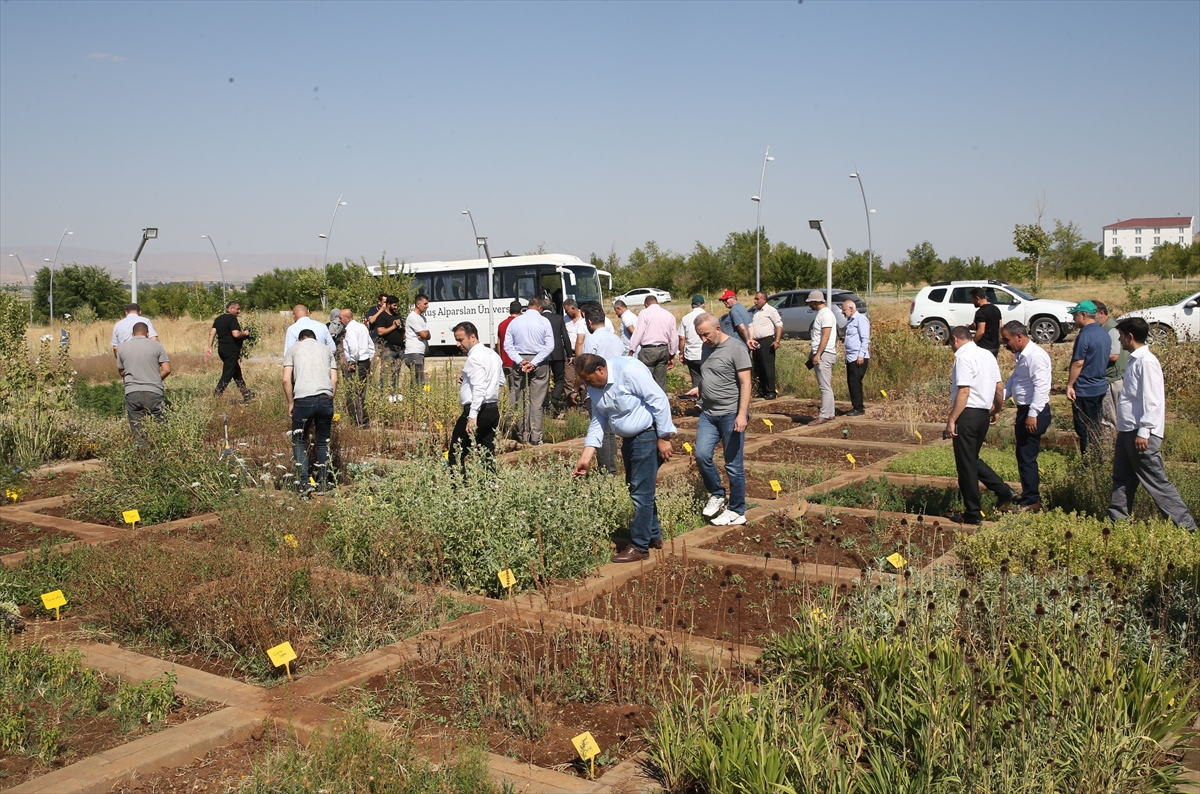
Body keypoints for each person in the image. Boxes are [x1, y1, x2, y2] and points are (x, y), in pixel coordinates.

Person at [572, 353, 676, 562]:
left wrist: (664, 437)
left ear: (600, 370)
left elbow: (659, 400)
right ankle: (653, 536)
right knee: (637, 487)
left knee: (641, 491)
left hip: (647, 435)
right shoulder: (594, 385)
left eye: (589, 380)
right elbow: (599, 418)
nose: (587, 385)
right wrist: (586, 456)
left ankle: (639, 546)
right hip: (629, 440)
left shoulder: (629, 372)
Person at [1109, 318, 1196, 530]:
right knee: (1122, 478)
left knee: (1156, 481)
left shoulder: (1146, 362)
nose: (1119, 340)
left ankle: (1187, 527)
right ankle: (1117, 524)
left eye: (1121, 335)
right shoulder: (1134, 360)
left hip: (1140, 433)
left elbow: (1153, 399)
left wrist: (1144, 431)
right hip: (1127, 430)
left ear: (1130, 336)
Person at [945, 326, 1015, 525]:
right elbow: (999, 387)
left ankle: (973, 512)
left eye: (951, 343)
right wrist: (997, 408)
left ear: (955, 339)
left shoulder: (963, 358)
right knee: (971, 459)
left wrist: (952, 419)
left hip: (967, 414)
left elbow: (964, 391)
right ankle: (1004, 491)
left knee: (965, 464)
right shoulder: (987, 355)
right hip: (983, 414)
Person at [692, 313, 752, 526]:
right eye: (700, 335)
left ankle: (737, 510)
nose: (703, 339)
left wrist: (741, 414)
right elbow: (710, 374)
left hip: (730, 414)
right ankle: (717, 493)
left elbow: (746, 383)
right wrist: (699, 389)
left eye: (706, 334)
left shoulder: (736, 348)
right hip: (709, 413)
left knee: (733, 464)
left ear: (718, 329)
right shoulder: (706, 347)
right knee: (701, 455)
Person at [1000, 321, 1052, 512]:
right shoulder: (1022, 356)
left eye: (1007, 340)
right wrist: (1000, 399)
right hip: (1025, 409)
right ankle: (1029, 495)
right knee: (1023, 455)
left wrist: (1032, 414)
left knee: (1027, 455)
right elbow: (1016, 380)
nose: (1004, 344)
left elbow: (1042, 387)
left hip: (1034, 411)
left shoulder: (1036, 356)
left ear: (1019, 336)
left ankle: (1032, 500)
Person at [283, 328, 338, 493]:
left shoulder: (293, 349)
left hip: (303, 399)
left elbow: (286, 380)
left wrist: (291, 402)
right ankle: (324, 483)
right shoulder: (327, 350)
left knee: (299, 441)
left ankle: (304, 483)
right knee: (323, 442)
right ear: (315, 339)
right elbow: (334, 379)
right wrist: (330, 398)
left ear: (300, 340)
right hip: (325, 398)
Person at [449, 321, 503, 473]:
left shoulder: (474, 358)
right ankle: (491, 484)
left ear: (472, 337)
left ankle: (459, 485)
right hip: (492, 409)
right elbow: (500, 381)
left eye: (460, 340)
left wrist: (472, 416)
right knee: (487, 453)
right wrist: (467, 381)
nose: (458, 344)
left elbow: (479, 388)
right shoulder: (493, 355)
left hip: (477, 410)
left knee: (456, 453)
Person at [580, 303, 626, 474]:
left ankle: (606, 472)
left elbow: (585, 366)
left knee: (601, 431)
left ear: (589, 322)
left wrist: (578, 388)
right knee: (610, 433)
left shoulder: (592, 339)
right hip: (616, 389)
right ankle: (611, 469)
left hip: (598, 390)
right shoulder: (616, 339)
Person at [503, 296, 554, 446]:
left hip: (519, 359)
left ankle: (523, 435)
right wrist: (534, 362)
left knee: (520, 399)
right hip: (539, 359)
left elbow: (507, 345)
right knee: (536, 401)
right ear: (540, 308)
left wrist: (520, 361)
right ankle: (536, 437)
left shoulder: (515, 321)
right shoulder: (544, 321)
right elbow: (549, 346)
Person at [1065, 300, 1110, 456]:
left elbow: (1078, 363)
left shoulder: (1085, 335)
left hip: (1085, 388)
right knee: (1095, 425)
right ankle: (1098, 456)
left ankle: (1089, 460)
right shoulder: (1103, 333)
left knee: (1084, 428)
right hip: (1100, 386)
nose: (1073, 319)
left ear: (1083, 315)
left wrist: (1070, 385)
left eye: (1075, 316)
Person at [115, 322, 170, 447]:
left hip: (132, 392)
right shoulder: (157, 346)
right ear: (148, 333)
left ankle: (143, 453)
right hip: (154, 391)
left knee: (138, 430)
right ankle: (161, 452)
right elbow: (166, 369)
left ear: (132, 334)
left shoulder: (122, 348)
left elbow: (122, 372)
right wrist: (155, 379)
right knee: (162, 427)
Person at [626, 295, 678, 391]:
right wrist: (672, 355)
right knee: (661, 382)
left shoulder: (645, 313)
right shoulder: (669, 315)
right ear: (657, 302)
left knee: (646, 381)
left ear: (646, 304)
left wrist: (632, 350)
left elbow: (638, 333)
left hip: (648, 351)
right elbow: (674, 337)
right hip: (663, 349)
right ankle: (662, 399)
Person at [206, 301, 253, 402]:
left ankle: (246, 394)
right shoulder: (232, 319)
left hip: (222, 350)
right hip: (231, 351)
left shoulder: (218, 319)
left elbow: (212, 334)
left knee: (236, 374)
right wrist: (245, 333)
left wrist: (210, 347)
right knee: (227, 374)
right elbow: (236, 334)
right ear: (231, 308)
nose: (239, 311)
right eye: (237, 309)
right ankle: (216, 396)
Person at [1095, 301, 1128, 430]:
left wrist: (1092, 357)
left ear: (1102, 313)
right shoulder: (1104, 328)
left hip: (1113, 380)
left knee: (1109, 419)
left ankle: (1110, 442)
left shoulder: (1111, 329)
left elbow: (1114, 355)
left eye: (1093, 314)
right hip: (1112, 378)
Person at [807, 291, 839, 425]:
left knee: (824, 387)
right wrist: (813, 352)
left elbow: (825, 336)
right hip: (823, 353)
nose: (809, 304)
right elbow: (818, 337)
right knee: (826, 386)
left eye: (810, 302)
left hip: (825, 354)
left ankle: (824, 415)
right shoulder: (822, 314)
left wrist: (818, 354)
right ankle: (830, 414)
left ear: (816, 301)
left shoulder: (825, 315)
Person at [340, 308, 374, 427]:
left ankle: (360, 421)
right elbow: (371, 346)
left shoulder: (351, 329)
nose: (339, 320)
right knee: (362, 391)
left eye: (341, 318)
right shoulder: (362, 327)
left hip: (357, 362)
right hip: (365, 361)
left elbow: (354, 347)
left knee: (354, 392)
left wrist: (352, 362)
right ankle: (363, 419)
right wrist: (369, 359)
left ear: (348, 318)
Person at [748, 292, 783, 400]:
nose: (755, 301)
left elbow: (779, 325)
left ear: (764, 300)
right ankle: (761, 390)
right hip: (756, 342)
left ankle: (771, 391)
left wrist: (777, 341)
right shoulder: (755, 312)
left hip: (767, 341)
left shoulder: (770, 310)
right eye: (755, 299)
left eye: (757, 299)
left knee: (768, 367)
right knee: (758, 367)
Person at [541, 300, 573, 417]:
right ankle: (554, 401)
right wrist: (569, 354)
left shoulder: (539, 319)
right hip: (558, 353)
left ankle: (545, 405)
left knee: (543, 380)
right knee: (559, 379)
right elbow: (565, 337)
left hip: (543, 354)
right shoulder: (558, 318)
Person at [842, 299, 870, 416]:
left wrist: (861, 355)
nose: (842, 312)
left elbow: (865, 339)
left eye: (844, 310)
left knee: (855, 382)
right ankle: (856, 406)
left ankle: (858, 408)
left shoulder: (860, 319)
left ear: (851, 309)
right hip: (851, 357)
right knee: (852, 382)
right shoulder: (850, 321)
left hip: (857, 357)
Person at [373, 296, 406, 389]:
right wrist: (393, 326)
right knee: (385, 372)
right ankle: (382, 392)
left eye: (397, 305)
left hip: (399, 349)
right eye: (394, 305)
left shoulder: (397, 316)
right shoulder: (382, 316)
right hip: (388, 349)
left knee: (396, 372)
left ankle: (394, 392)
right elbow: (380, 332)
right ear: (388, 305)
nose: (396, 307)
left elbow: (402, 329)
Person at [677, 295, 707, 395]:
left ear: (692, 305)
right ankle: (706, 400)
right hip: (706, 354)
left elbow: (682, 338)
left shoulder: (686, 318)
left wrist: (681, 353)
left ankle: (697, 399)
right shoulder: (708, 317)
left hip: (691, 354)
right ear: (704, 305)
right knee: (708, 378)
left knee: (696, 379)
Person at [403, 295, 431, 387]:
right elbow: (424, 335)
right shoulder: (412, 317)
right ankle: (414, 395)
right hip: (413, 352)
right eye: (425, 304)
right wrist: (424, 334)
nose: (427, 306)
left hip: (420, 352)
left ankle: (414, 395)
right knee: (419, 380)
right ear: (418, 304)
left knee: (417, 380)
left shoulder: (423, 318)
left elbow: (428, 335)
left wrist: (425, 334)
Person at [969, 288, 1002, 357]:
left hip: (984, 346)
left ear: (977, 298)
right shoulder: (996, 309)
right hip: (995, 346)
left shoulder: (980, 312)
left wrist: (972, 342)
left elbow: (981, 331)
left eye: (972, 299)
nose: (972, 302)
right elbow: (1000, 326)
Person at [497, 300, 523, 379]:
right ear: (521, 311)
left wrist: (501, 358)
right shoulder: (521, 324)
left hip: (505, 361)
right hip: (517, 361)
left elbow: (499, 343)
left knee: (508, 385)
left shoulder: (501, 324)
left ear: (509, 311)